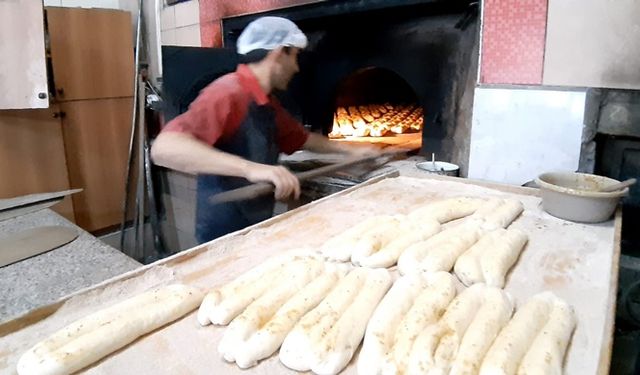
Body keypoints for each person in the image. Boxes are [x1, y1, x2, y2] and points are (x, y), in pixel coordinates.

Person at [151, 16, 378, 243]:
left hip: (255, 225)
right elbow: (165, 148)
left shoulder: (267, 102)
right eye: (295, 57)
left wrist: (352, 150)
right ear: (279, 53)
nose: (297, 68)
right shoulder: (228, 92)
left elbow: (303, 139)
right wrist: (251, 169)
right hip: (223, 232)